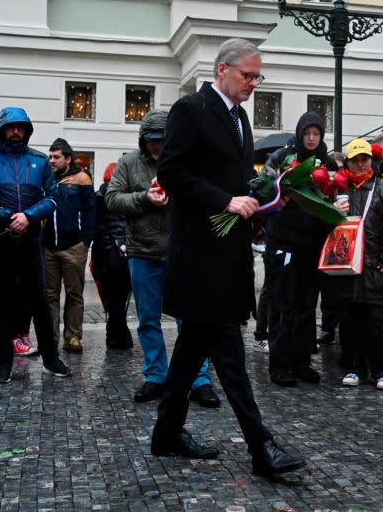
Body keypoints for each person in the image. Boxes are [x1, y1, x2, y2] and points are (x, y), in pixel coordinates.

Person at [151, 38, 305, 478]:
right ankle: (261, 449)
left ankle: (166, 435)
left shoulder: (239, 118)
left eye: (258, 77)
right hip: (201, 259)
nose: (254, 84)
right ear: (222, 69)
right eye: (248, 75)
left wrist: (266, 197)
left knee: (189, 354)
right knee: (231, 359)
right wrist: (224, 201)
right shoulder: (190, 110)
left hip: (228, 254)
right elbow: (173, 173)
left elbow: (237, 180)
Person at [106, 109, 219, 406]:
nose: (157, 146)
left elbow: (205, 197)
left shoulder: (186, 161)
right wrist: (145, 197)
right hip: (142, 253)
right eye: (151, 141)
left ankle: (199, 379)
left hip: (181, 253)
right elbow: (112, 199)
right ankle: (156, 375)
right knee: (147, 320)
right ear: (143, 140)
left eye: (162, 140)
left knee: (190, 320)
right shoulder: (129, 163)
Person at [0, 107, 72, 384]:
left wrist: (29, 216)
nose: (16, 132)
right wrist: (5, 216)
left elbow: (52, 196)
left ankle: (50, 358)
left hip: (29, 240)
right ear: (1, 129)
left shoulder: (38, 160)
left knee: (40, 301)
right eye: (11, 127)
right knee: (0, 303)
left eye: (21, 127)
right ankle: (3, 362)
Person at [261, 111, 338, 387]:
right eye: (307, 133)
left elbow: (336, 192)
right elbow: (263, 189)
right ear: (299, 134)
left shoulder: (327, 162)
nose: (311, 138)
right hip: (283, 241)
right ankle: (280, 365)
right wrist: (281, 191)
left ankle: (302, 361)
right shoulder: (282, 157)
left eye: (316, 134)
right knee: (282, 304)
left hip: (313, 244)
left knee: (307, 305)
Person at [327, 139, 383, 390]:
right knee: (351, 321)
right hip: (348, 268)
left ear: (371, 161)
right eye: (355, 160)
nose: (360, 164)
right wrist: (332, 210)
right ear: (348, 162)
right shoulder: (339, 191)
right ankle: (354, 367)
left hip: (377, 267)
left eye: (364, 159)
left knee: (380, 321)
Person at [43, 138, 96, 354]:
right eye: (50, 156)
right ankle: (51, 339)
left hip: (74, 247)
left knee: (74, 294)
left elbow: (92, 211)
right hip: (48, 247)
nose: (52, 160)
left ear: (68, 158)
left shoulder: (82, 179)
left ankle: (73, 337)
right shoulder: (46, 179)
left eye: (56, 157)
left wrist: (86, 241)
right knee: (50, 296)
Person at [91, 163, 133, 350]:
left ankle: (115, 335)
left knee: (110, 297)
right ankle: (119, 337)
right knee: (120, 297)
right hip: (122, 253)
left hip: (102, 253)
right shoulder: (126, 197)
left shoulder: (97, 197)